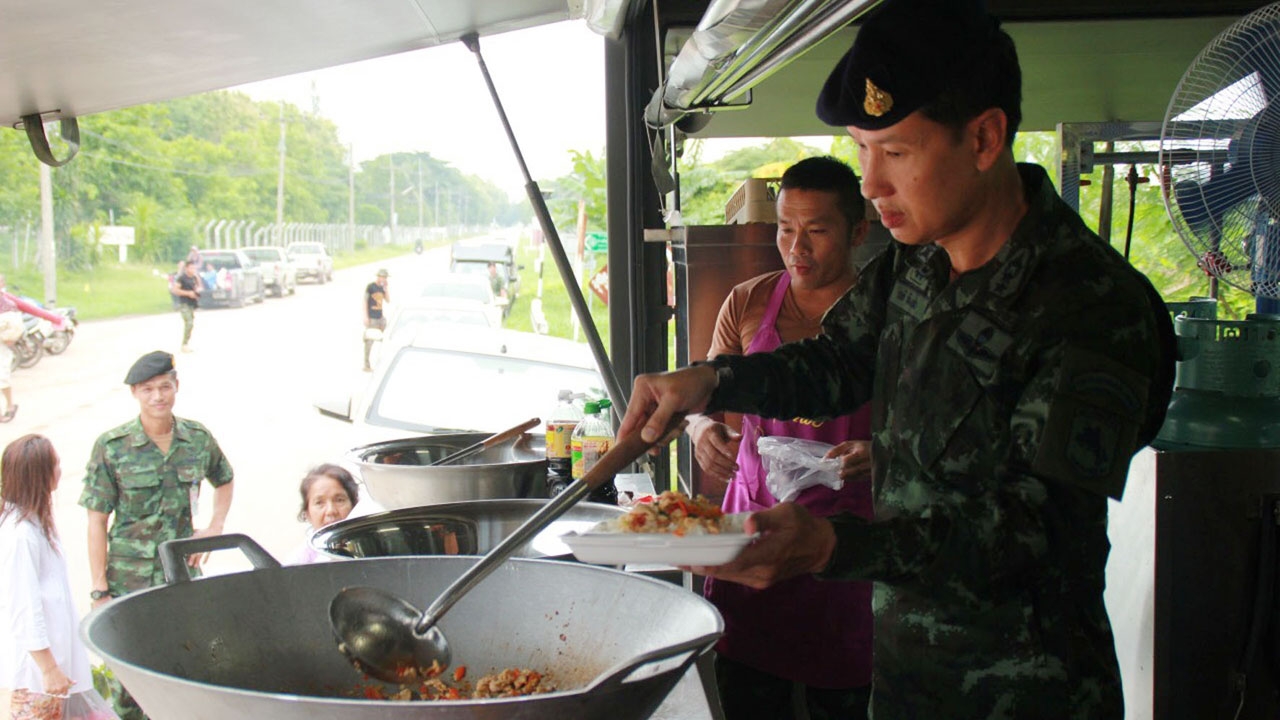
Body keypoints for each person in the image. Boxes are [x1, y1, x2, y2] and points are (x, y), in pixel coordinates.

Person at [618, 0, 1177, 717]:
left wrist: (830, 547)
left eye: (897, 152)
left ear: (984, 137)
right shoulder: (915, 264)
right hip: (907, 676)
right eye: (862, 149)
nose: (873, 182)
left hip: (1025, 691)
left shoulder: (1090, 306)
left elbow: (1032, 535)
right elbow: (835, 364)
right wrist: (709, 381)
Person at [687, 156, 874, 719]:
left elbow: (923, 430)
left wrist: (881, 452)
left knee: (842, 702)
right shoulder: (748, 301)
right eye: (785, 229)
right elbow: (702, 400)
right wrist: (702, 429)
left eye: (816, 231)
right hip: (754, 530)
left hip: (846, 542)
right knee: (750, 694)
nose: (797, 248)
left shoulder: (888, 317)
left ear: (859, 231)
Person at [79, 350, 234, 720]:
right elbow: (96, 521)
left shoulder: (196, 438)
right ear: (135, 393)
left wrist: (214, 527)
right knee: (131, 676)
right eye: (148, 389)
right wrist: (100, 589)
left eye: (165, 387)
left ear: (176, 387)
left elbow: (224, 478)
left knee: (187, 662)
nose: (158, 397)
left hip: (181, 576)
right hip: (127, 580)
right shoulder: (112, 447)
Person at [0, 435, 92, 717]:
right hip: (37, 673)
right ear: (38, 475)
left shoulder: (37, 523)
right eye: (55, 464)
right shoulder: (21, 535)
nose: (59, 471)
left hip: (52, 665)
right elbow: (23, 606)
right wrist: (49, 668)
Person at [0, 274, 67, 423]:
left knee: (2, 379)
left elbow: (33, 310)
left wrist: (56, 319)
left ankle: (9, 406)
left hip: (3, 346)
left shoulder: (8, 301)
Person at [287, 463, 359, 565]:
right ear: (307, 513)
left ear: (354, 505)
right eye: (319, 503)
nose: (331, 511)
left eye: (339, 500)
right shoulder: (298, 563)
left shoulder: (373, 549)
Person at [363, 268, 390, 372]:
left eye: (385, 278)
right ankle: (366, 364)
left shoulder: (382, 288)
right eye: (383, 277)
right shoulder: (371, 287)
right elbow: (365, 302)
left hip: (380, 317)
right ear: (379, 277)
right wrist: (365, 316)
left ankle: (379, 361)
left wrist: (386, 288)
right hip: (372, 317)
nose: (384, 279)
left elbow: (388, 300)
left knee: (383, 338)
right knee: (369, 341)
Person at [173, 260, 201, 352]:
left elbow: (199, 287)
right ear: (186, 268)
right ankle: (184, 344)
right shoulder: (182, 278)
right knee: (189, 322)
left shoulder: (194, 278)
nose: (193, 270)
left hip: (192, 304)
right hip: (184, 303)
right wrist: (187, 293)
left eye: (194, 268)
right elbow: (175, 290)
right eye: (191, 268)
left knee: (191, 324)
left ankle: (186, 343)